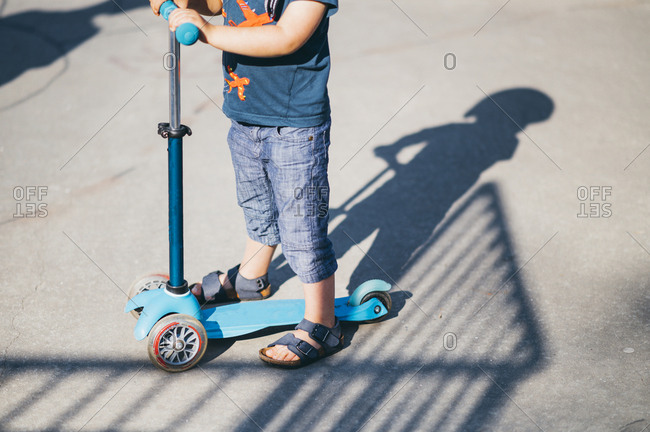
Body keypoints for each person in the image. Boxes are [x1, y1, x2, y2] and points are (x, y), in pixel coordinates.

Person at [149, 0, 341, 368]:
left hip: (296, 129)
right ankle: (250, 278)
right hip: (244, 119)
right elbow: (217, 4)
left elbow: (287, 37)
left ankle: (322, 322)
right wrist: (182, 4)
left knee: (302, 228)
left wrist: (207, 32)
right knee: (257, 207)